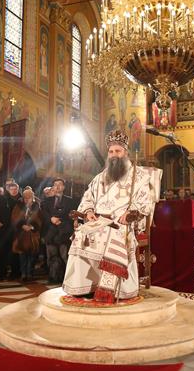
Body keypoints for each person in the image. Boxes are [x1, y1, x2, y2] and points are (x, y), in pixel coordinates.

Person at [62, 130, 160, 303]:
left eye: (118, 151)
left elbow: (146, 203)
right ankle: (84, 285)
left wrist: (130, 213)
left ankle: (110, 289)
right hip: (99, 221)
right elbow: (88, 197)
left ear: (125, 152)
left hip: (121, 224)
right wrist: (89, 211)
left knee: (111, 236)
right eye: (111, 152)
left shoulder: (140, 178)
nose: (114, 155)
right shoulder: (100, 177)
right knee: (80, 235)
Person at [41, 178, 75, 284]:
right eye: (55, 185)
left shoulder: (70, 200)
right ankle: (53, 277)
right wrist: (51, 218)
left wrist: (64, 221)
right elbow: (43, 214)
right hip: (51, 233)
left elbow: (73, 215)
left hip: (64, 232)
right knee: (52, 256)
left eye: (60, 184)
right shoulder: (47, 201)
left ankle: (67, 278)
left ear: (64, 187)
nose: (57, 186)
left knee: (65, 256)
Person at [12, 187, 43, 282]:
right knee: (22, 255)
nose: (27, 199)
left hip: (32, 234)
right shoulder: (19, 205)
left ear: (32, 197)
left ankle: (30, 273)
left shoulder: (36, 206)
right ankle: (23, 274)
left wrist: (32, 227)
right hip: (21, 234)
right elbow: (14, 217)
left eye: (29, 197)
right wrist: (22, 225)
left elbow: (40, 218)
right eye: (25, 197)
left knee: (32, 255)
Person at [4, 180, 22, 279]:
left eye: (15, 189)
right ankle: (11, 270)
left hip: (20, 228)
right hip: (9, 229)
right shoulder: (5, 199)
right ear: (8, 190)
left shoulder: (22, 200)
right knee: (10, 250)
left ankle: (18, 270)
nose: (14, 191)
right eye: (12, 189)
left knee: (19, 249)